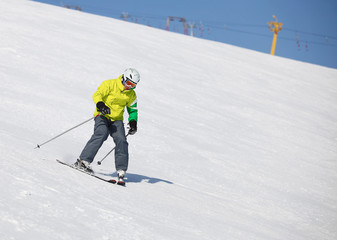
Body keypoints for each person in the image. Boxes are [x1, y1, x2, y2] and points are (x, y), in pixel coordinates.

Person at [75, 68, 140, 183]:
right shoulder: (110, 84)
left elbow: (133, 110)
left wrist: (133, 122)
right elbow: (97, 94)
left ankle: (121, 169)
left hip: (117, 120)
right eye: (129, 83)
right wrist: (100, 105)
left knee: (121, 140)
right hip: (103, 115)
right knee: (102, 133)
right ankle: (83, 161)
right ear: (124, 78)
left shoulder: (131, 95)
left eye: (133, 85)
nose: (129, 87)